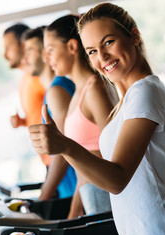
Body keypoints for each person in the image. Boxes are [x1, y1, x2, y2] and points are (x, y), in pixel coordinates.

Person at [29, 3, 165, 235]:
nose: (102, 57)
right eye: (91, 51)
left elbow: (117, 178)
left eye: (108, 42)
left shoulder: (145, 91)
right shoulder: (127, 100)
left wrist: (65, 146)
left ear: (134, 36)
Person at [43, 15, 119, 219]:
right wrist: (75, 209)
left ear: (72, 47)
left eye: (50, 50)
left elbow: (113, 153)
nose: (47, 58)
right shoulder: (79, 90)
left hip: (105, 196)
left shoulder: (95, 88)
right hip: (90, 196)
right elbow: (84, 164)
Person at [21, 26, 77, 200]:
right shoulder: (50, 91)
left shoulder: (57, 90)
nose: (25, 59)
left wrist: (43, 198)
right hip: (70, 191)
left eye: (30, 51)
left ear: (45, 54)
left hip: (77, 193)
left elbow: (63, 150)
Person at [3, 24, 50, 167]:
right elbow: (42, 114)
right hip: (47, 160)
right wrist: (22, 121)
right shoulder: (24, 80)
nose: (5, 55)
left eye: (8, 47)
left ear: (22, 45)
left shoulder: (43, 76)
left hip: (60, 160)